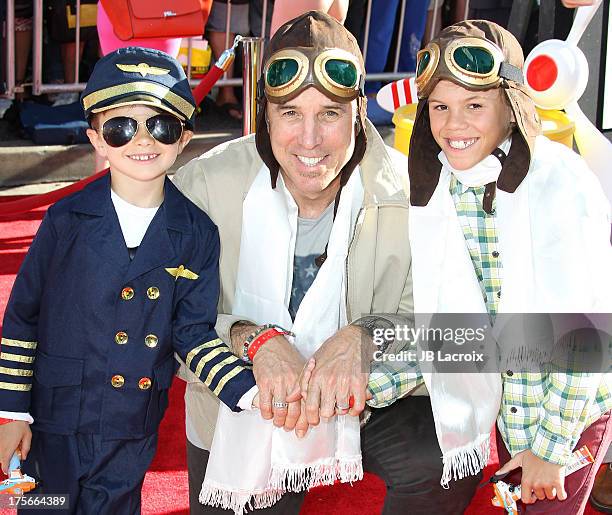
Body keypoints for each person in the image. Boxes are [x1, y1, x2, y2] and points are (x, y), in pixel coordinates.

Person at [173, 10, 482, 515]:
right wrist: (250, 341)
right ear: (264, 115)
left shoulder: (413, 196)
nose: (310, 140)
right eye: (291, 113)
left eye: (330, 114)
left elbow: (459, 332)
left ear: (359, 112)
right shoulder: (205, 187)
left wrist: (366, 338)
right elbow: (162, 316)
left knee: (447, 458)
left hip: (367, 402)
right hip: (247, 402)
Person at [0, 47, 259, 513]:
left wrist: (248, 390)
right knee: (46, 506)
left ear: (184, 138)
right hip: (55, 418)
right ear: (96, 139)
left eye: (161, 125)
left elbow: (191, 331)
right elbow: (22, 318)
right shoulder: (65, 219)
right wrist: (13, 411)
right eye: (121, 127)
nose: (143, 140)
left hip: (130, 422)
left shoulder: (197, 233)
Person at [401, 19, 611, 514]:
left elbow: (587, 331)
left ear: (512, 105)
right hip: (511, 403)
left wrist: (551, 449)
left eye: (475, 105)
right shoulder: (441, 190)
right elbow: (449, 322)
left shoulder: (560, 182)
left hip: (572, 406)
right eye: (439, 107)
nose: (454, 125)